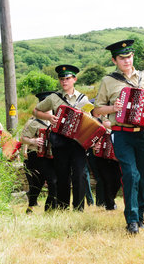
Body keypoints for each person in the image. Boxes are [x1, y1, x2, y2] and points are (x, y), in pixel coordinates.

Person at [93, 40, 144, 235]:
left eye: (129, 56)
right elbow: (96, 110)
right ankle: (132, 220)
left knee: (143, 177)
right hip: (122, 134)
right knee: (130, 174)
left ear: (133, 57)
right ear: (114, 60)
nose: (126, 61)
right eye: (122, 58)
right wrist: (113, 108)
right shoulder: (108, 81)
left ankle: (140, 215)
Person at [33, 65, 91, 211]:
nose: (64, 82)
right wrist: (49, 117)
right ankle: (63, 207)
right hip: (60, 141)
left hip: (78, 142)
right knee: (62, 175)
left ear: (74, 79)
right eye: (61, 79)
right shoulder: (53, 98)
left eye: (67, 79)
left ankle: (79, 208)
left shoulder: (83, 99)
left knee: (80, 174)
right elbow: (36, 110)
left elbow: (90, 119)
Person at [21, 91, 58, 212]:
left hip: (52, 157)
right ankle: (32, 206)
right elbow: (22, 139)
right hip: (36, 156)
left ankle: (50, 208)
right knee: (38, 183)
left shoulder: (56, 121)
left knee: (52, 181)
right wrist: (34, 141)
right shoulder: (34, 122)